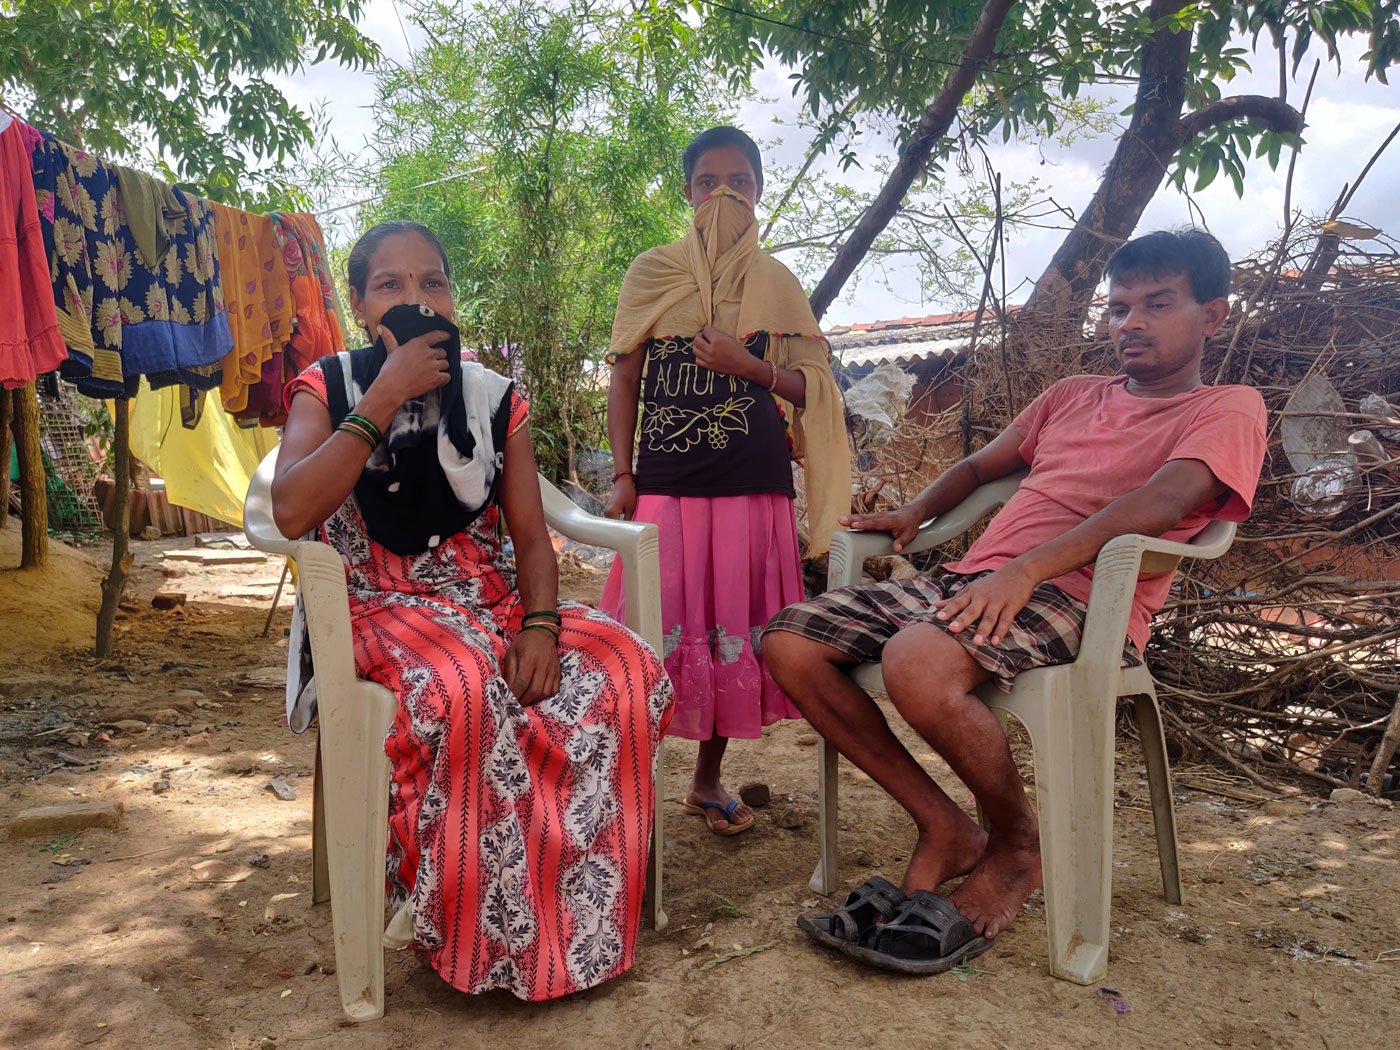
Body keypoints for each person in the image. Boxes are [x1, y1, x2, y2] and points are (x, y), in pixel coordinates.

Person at [763, 228, 1268, 973]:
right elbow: (976, 467)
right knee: (789, 641)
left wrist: (1027, 570)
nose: (1130, 322)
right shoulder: (1070, 397)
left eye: (1157, 305)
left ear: (1213, 315)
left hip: (1081, 597)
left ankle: (1017, 843)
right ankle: (944, 825)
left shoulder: (1227, 406)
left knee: (916, 662)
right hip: (977, 582)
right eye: (1120, 306)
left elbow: (1168, 500)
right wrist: (914, 515)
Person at [271, 220, 674, 1001]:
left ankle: (575, 924)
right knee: (461, 689)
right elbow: (290, 509)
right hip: (377, 597)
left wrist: (540, 626)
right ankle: (464, 932)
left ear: (454, 299)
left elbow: (531, 537)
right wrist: (384, 395)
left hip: (488, 595)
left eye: (434, 283)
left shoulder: (494, 398)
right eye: (391, 285)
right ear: (361, 306)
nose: (417, 298)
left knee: (627, 669)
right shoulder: (329, 384)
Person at [601, 126, 850, 835]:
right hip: (667, 486)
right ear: (686, 193)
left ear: (759, 193)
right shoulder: (651, 273)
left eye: (738, 182)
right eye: (708, 182)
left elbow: (815, 390)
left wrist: (752, 368)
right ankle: (625, 791)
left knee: (728, 632)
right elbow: (624, 378)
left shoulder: (776, 284)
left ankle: (706, 781)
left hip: (752, 487)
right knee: (648, 635)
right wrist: (623, 474)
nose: (723, 195)